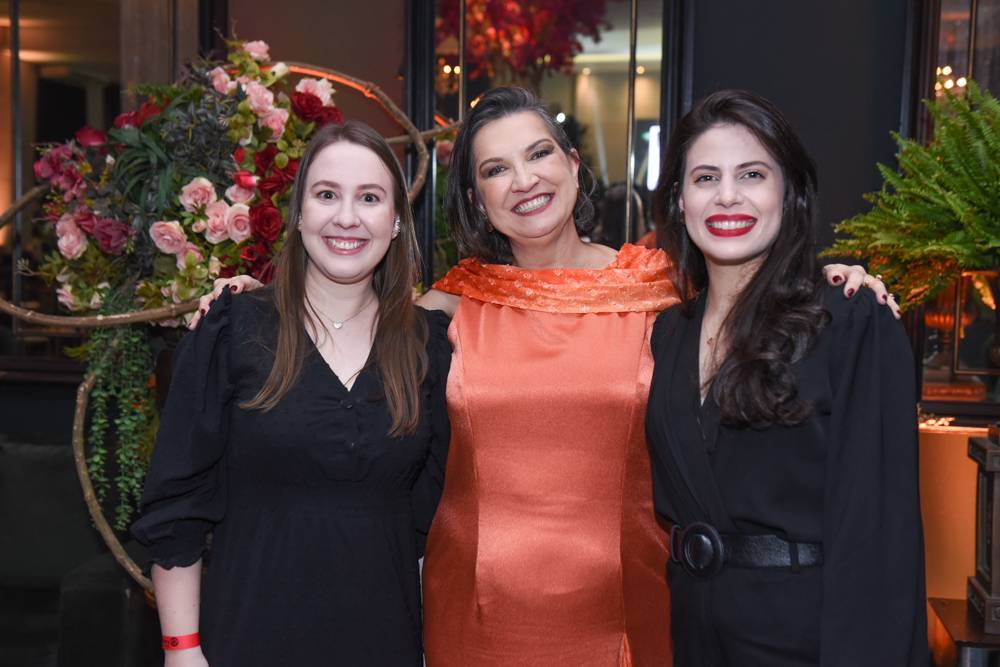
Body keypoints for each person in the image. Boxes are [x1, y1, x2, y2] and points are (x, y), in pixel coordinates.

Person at [195, 87, 889, 667]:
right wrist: (248, 303)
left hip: (625, 611)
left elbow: (751, 297)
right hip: (474, 618)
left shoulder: (661, 289)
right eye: (495, 169)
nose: (523, 180)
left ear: (573, 166)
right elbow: (341, 321)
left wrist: (824, 278)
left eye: (538, 154)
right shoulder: (449, 305)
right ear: (477, 198)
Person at [131, 121, 451, 667]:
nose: (346, 217)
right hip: (247, 641)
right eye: (326, 195)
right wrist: (182, 651)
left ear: (397, 220)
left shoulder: (429, 347)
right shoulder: (233, 330)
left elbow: (432, 525)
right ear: (299, 212)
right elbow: (178, 506)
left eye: (369, 198)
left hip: (384, 644)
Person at [646, 89, 927, 666]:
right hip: (694, 638)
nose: (727, 195)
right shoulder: (668, 331)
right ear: (679, 200)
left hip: (809, 641)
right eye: (705, 178)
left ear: (790, 193)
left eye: (752, 174)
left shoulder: (849, 319)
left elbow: (879, 535)